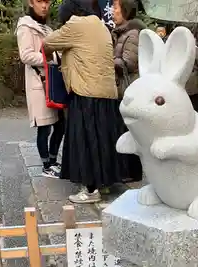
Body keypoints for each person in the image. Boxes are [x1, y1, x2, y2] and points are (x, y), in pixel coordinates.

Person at [43, 0, 128, 204]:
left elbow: (47, 43)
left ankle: (90, 190)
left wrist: (50, 56)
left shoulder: (76, 24)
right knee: (102, 140)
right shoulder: (100, 25)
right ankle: (103, 183)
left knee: (86, 140)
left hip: (86, 93)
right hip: (107, 94)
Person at [16, 0, 65, 178]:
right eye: (39, 1)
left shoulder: (48, 29)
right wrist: (51, 58)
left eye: (47, 2)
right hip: (39, 83)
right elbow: (26, 55)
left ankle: (53, 160)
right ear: (31, 2)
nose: (44, 6)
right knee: (44, 126)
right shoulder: (25, 26)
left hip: (52, 82)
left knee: (61, 125)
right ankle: (46, 165)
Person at [111, 0, 145, 182]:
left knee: (129, 131)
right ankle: (124, 170)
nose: (112, 11)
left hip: (128, 90)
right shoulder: (120, 33)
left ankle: (132, 172)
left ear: (125, 10)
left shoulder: (132, 35)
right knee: (121, 130)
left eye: (115, 7)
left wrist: (107, 60)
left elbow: (129, 62)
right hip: (120, 90)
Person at [186, 43, 198, 112]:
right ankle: (194, 117)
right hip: (192, 77)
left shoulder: (178, 47)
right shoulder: (194, 49)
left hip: (181, 77)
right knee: (194, 100)